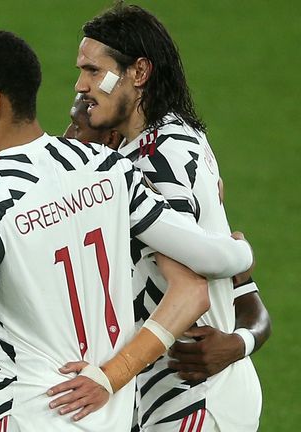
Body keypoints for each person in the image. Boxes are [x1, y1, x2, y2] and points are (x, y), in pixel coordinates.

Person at [0, 30, 253, 432]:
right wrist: (241, 253)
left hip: (27, 413)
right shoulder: (108, 169)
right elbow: (210, 257)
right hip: (108, 414)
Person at [69, 3, 265, 430]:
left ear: (139, 73)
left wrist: (109, 376)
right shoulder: (174, 136)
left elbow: (189, 284)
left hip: (190, 394)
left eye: (92, 70)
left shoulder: (157, 159)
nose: (81, 85)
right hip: (180, 392)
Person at [64, 94, 272, 385]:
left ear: (111, 137)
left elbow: (249, 304)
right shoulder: (79, 207)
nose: (66, 138)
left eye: (76, 127)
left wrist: (238, 344)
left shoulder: (151, 206)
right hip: (133, 395)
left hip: (183, 391)